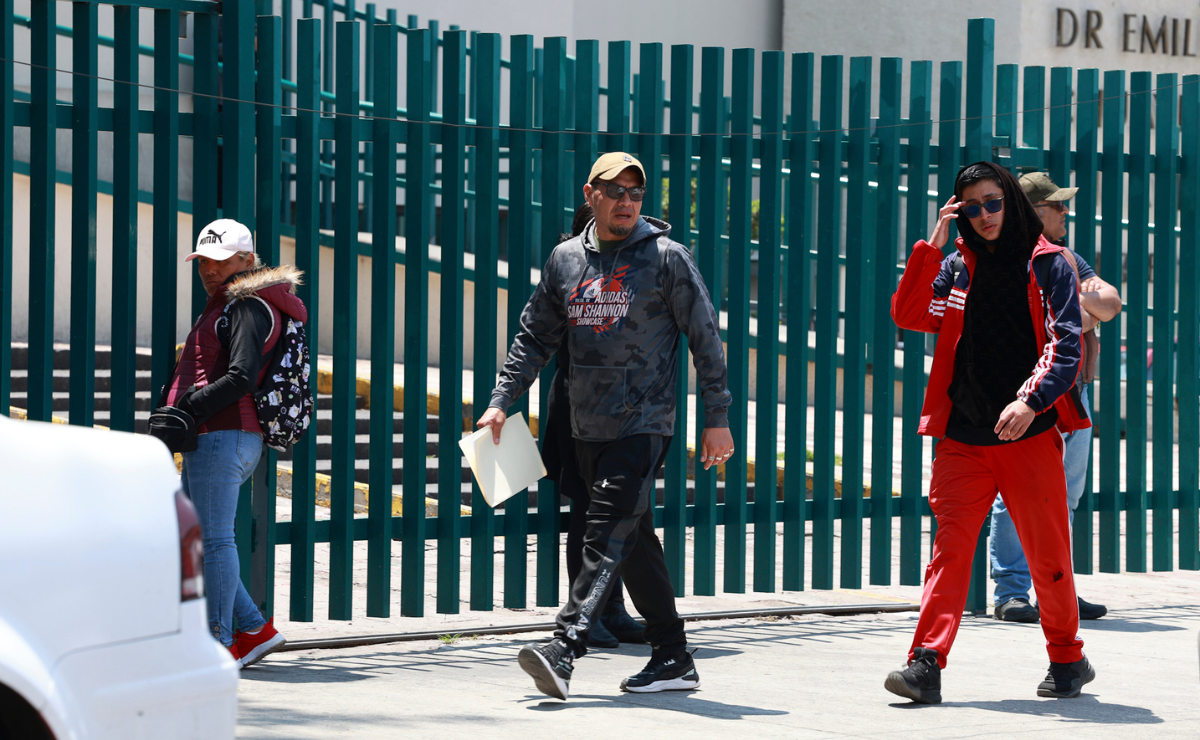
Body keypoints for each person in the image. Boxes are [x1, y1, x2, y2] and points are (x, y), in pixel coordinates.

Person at [478, 152, 733, 700]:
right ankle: (672, 656)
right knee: (632, 539)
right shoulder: (565, 259)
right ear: (590, 194)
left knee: (602, 530)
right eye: (615, 191)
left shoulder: (667, 258)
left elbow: (705, 336)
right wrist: (502, 400)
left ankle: (564, 648)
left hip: (644, 422)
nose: (626, 202)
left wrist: (718, 417)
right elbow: (534, 336)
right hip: (583, 423)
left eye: (636, 194)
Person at [887, 162, 1095, 704]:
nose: (983, 215)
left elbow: (1065, 345)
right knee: (950, 551)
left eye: (992, 202)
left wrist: (1030, 401)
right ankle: (924, 664)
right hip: (963, 437)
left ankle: (1068, 658)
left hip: (1029, 435)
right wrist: (932, 242)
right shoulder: (956, 266)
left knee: (1047, 553)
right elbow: (909, 313)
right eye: (971, 206)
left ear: (1012, 202)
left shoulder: (1049, 264)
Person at [162, 218, 306, 668]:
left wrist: (188, 408)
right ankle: (254, 631)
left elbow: (241, 375)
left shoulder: (245, 304)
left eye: (220, 260)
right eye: (203, 260)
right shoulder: (237, 302)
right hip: (229, 436)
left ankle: (218, 644)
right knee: (200, 537)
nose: (209, 269)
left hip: (222, 432)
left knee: (213, 541)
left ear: (247, 259)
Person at [989, 173, 1123, 624]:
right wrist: (1076, 313)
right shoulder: (1008, 256)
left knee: (1066, 494)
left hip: (1073, 392)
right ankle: (1011, 592)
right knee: (1016, 493)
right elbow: (1032, 323)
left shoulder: (1065, 255)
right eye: (1057, 206)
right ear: (1032, 211)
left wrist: (1074, 311)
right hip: (1028, 392)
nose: (1066, 212)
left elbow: (1111, 302)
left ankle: (1057, 591)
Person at [542, 202, 646, 650]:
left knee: (622, 513)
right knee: (587, 514)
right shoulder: (569, 270)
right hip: (579, 409)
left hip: (626, 412)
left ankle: (614, 609)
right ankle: (588, 613)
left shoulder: (634, 271)